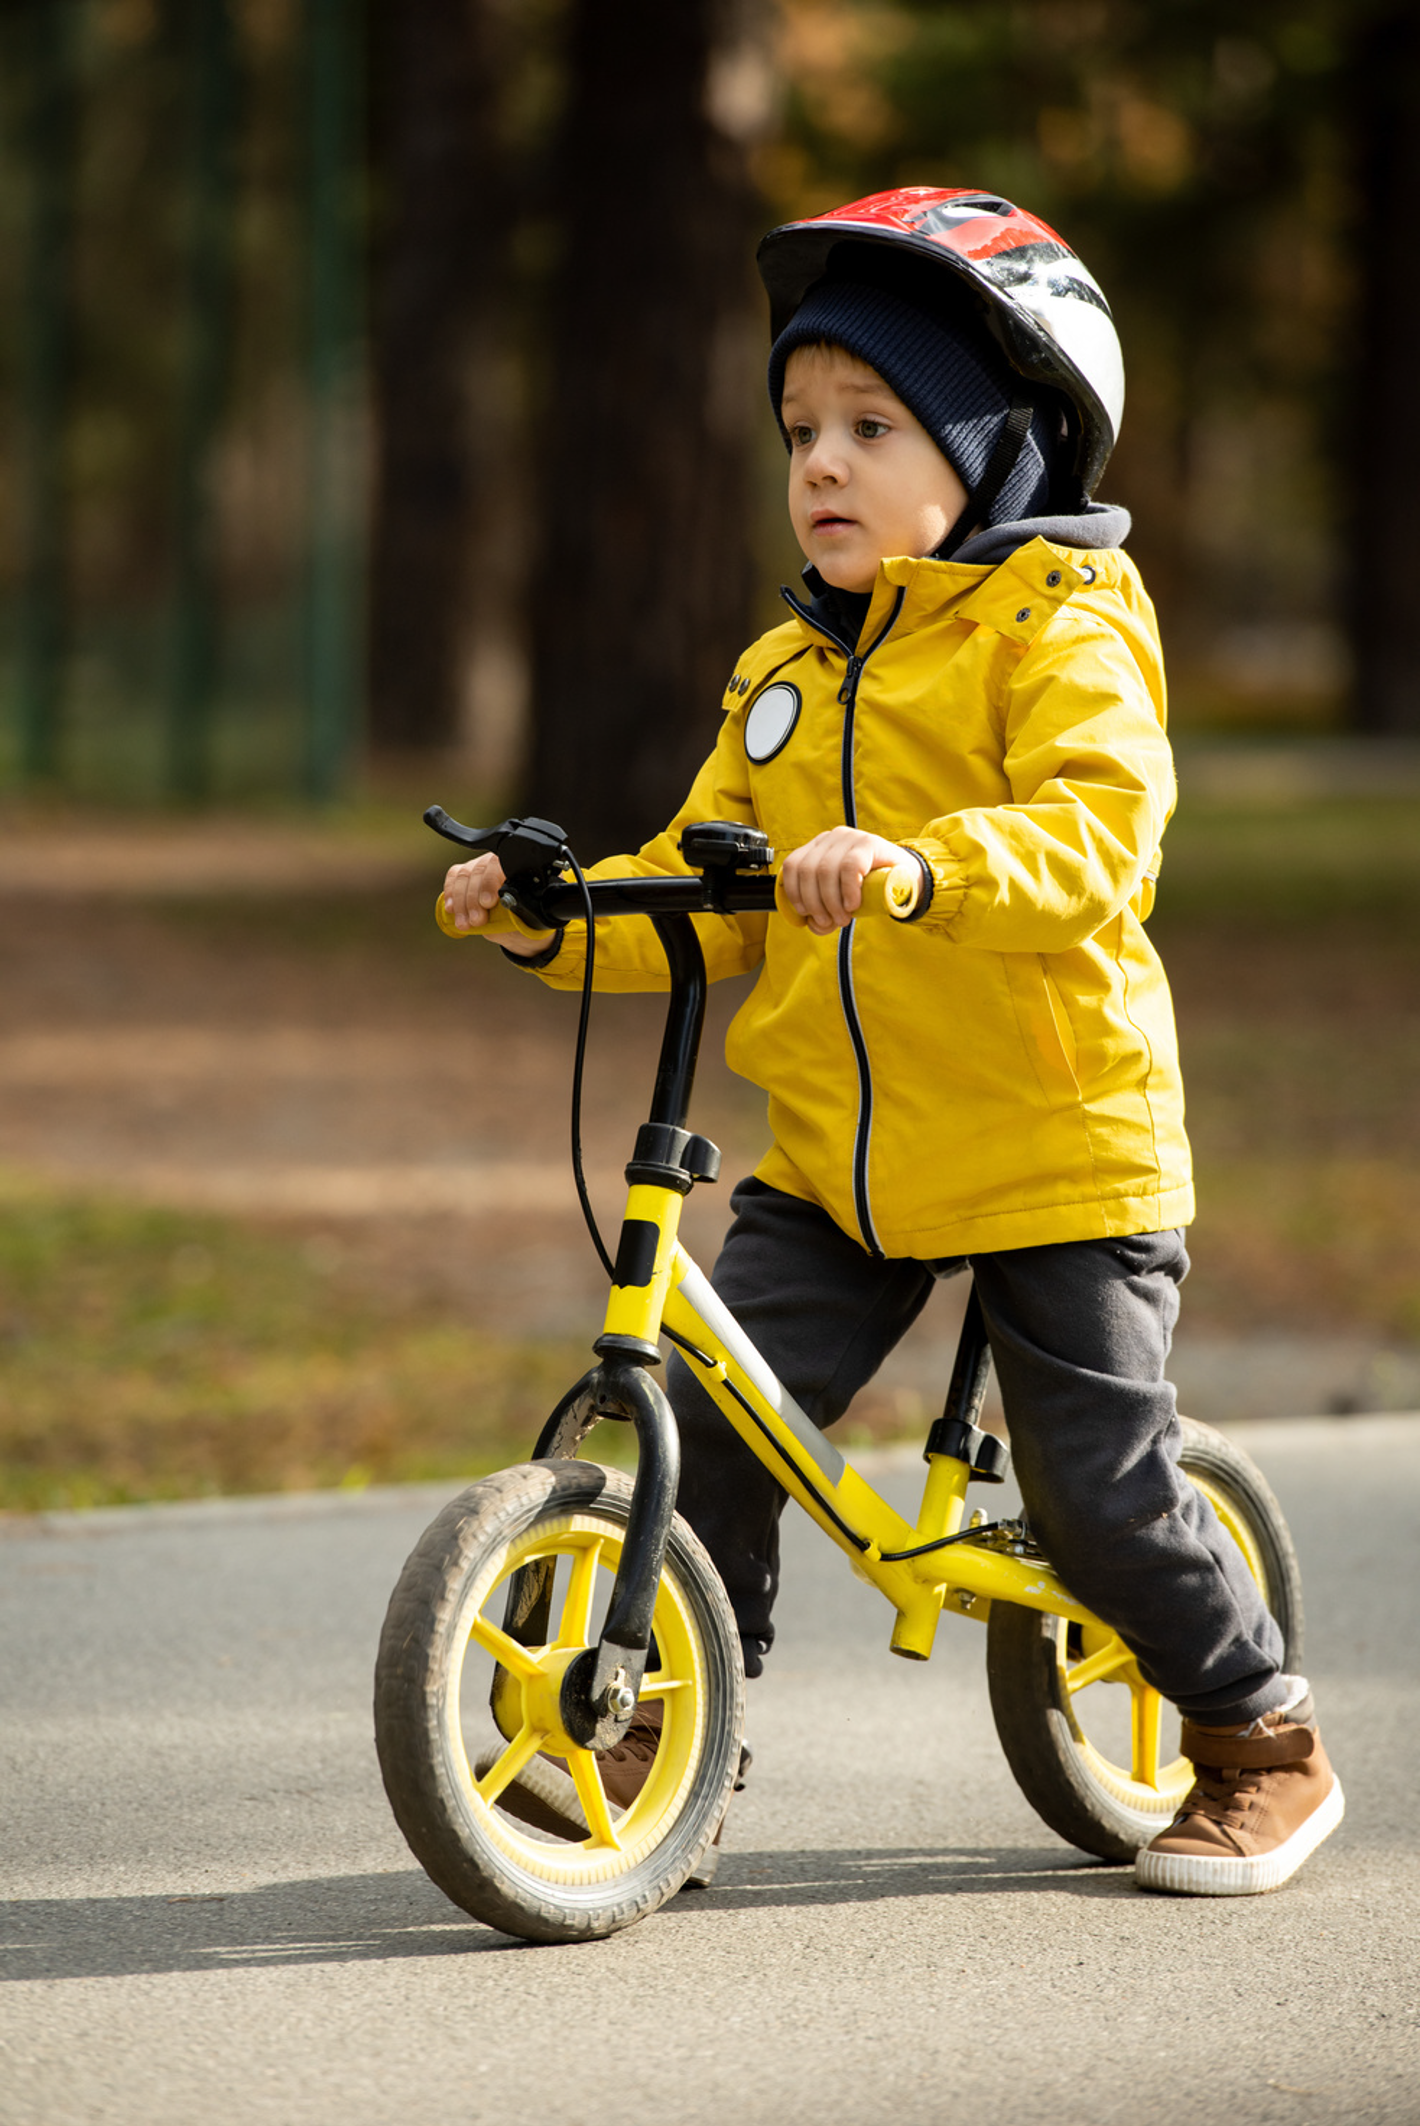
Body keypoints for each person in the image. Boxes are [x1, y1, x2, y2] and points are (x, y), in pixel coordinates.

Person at [441, 187, 1342, 1896]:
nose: (821, 466)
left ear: (1000, 450)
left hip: (1058, 1144)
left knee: (1091, 1484)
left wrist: (926, 867)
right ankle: (654, 1737)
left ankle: (1258, 1734)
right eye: (799, 431)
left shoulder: (1062, 625)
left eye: (872, 426)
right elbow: (714, 891)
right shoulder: (783, 667)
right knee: (702, 1430)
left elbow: (1100, 841)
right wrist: (551, 907)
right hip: (846, 1161)